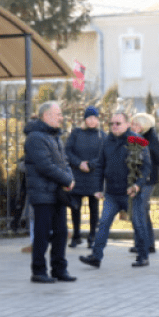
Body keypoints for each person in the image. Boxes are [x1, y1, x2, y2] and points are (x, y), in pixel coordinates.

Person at [78, 111, 152, 268]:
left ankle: (143, 256)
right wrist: (98, 188)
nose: (114, 126)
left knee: (138, 224)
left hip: (131, 193)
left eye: (118, 123)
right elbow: (100, 165)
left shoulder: (138, 140)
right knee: (103, 223)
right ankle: (96, 257)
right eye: (112, 124)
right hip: (111, 193)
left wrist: (138, 185)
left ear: (127, 125)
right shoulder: (106, 141)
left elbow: (146, 167)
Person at [24, 102, 77, 284]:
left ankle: (59, 269)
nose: (61, 117)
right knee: (43, 234)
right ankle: (38, 271)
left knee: (61, 232)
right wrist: (66, 180)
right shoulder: (35, 138)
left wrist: (69, 178)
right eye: (58, 114)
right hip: (42, 194)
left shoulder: (54, 136)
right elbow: (45, 166)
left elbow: (65, 162)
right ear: (46, 116)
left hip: (57, 193)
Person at [129, 112, 159, 254]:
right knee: (141, 211)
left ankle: (143, 244)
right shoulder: (133, 138)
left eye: (136, 124)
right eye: (132, 124)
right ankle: (147, 244)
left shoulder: (152, 139)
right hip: (136, 180)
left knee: (139, 209)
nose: (133, 126)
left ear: (143, 126)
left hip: (148, 180)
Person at [65, 106, 104, 249]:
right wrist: (79, 163)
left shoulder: (101, 135)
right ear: (85, 119)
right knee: (75, 207)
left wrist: (91, 164)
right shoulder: (76, 133)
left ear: (98, 119)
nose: (92, 120)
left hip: (94, 176)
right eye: (89, 118)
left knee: (94, 208)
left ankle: (92, 236)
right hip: (77, 174)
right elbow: (67, 151)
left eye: (94, 118)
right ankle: (76, 236)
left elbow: (103, 154)